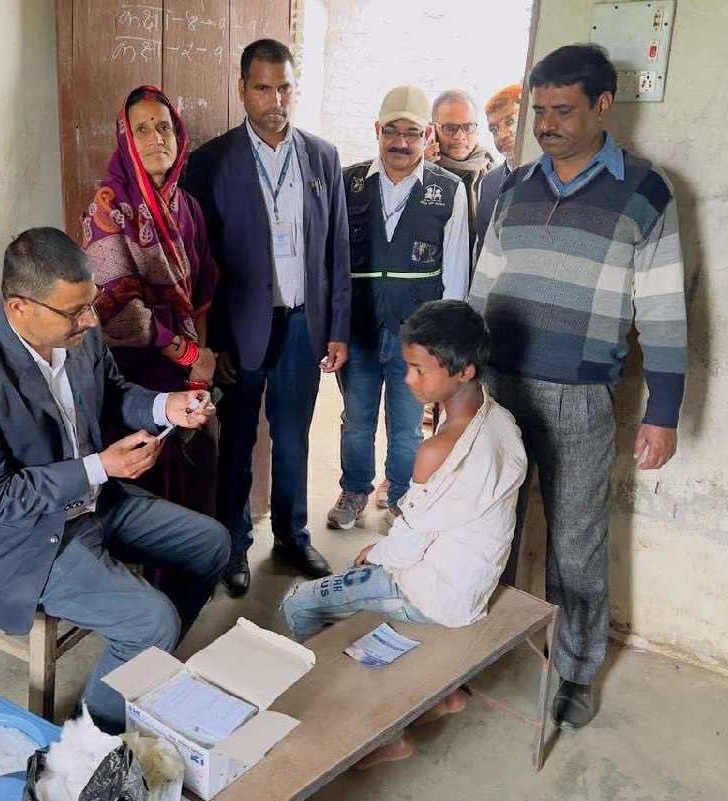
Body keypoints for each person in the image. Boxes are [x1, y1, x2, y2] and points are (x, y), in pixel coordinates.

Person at [0, 228, 230, 732]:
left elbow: (114, 393)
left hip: (94, 502)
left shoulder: (78, 339)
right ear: (19, 307)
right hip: (21, 540)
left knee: (211, 544)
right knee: (150, 620)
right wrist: (100, 467)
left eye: (90, 305)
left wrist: (164, 404)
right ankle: (86, 746)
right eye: (74, 312)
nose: (90, 321)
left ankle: (142, 669)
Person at [470, 44, 687, 731]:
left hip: (580, 396)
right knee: (490, 528)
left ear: (603, 106)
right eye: (540, 111)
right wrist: (460, 384)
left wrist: (664, 411)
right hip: (497, 388)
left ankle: (575, 671)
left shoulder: (646, 193)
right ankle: (481, 653)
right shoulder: (513, 185)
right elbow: (481, 287)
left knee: (575, 547)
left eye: (563, 110)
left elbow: (662, 309)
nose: (547, 124)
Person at [281, 299, 526, 767]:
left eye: (418, 370)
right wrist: (384, 547)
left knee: (298, 603)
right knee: (364, 572)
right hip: (472, 581)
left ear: (464, 370)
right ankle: (439, 698)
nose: (408, 379)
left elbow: (406, 546)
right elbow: (432, 523)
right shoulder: (500, 421)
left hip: (435, 594)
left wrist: (374, 555)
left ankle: (378, 732)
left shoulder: (437, 451)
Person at [183, 38, 351, 597]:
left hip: (305, 325)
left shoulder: (322, 157)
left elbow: (338, 252)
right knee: (235, 439)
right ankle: (232, 545)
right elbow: (199, 264)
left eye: (284, 87)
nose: (275, 98)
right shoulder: (210, 163)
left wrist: (338, 329)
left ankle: (292, 535)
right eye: (262, 87)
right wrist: (212, 342)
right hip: (240, 329)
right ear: (242, 90)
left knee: (294, 436)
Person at [326, 85, 468, 531]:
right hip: (361, 330)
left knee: (407, 425)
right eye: (392, 131)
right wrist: (333, 328)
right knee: (356, 419)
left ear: (427, 135)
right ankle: (354, 489)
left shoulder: (450, 190)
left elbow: (457, 270)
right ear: (377, 130)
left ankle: (403, 494)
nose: (401, 142)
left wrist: (447, 341)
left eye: (411, 132)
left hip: (418, 338)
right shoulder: (346, 184)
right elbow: (329, 262)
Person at [83, 85, 219, 515]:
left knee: (195, 467)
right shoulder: (108, 208)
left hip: (187, 364)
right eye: (142, 129)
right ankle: (150, 581)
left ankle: (191, 574)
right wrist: (188, 353)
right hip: (135, 370)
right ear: (126, 140)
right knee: (150, 475)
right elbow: (117, 309)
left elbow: (200, 293)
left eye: (164, 127)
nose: (156, 137)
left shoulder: (188, 207)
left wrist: (202, 363)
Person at [426, 88, 495, 246]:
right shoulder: (417, 172)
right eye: (449, 128)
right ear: (432, 129)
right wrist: (422, 169)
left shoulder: (492, 172)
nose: (459, 136)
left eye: (468, 127)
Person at [473, 83, 522, 260]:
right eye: (494, 129)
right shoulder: (488, 184)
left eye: (510, 122)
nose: (502, 134)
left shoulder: (556, 175)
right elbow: (483, 252)